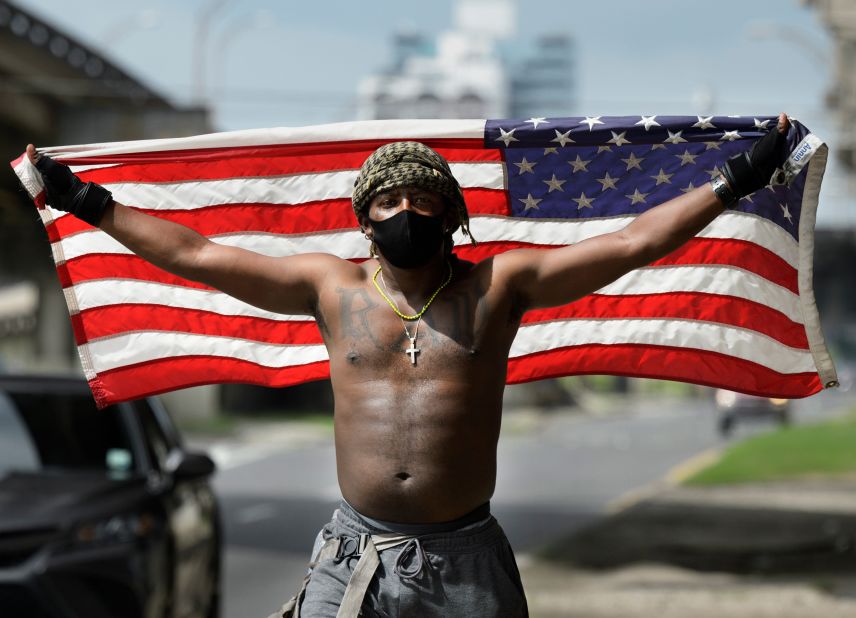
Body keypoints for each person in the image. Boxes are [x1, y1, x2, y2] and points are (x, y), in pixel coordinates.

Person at [26, 113, 790, 617]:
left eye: (425, 200)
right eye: (388, 202)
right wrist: (83, 201)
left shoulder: (500, 286)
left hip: (466, 563)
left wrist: (736, 181)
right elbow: (196, 255)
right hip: (355, 553)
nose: (407, 214)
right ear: (364, 219)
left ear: (454, 215)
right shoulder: (330, 287)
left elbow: (630, 245)